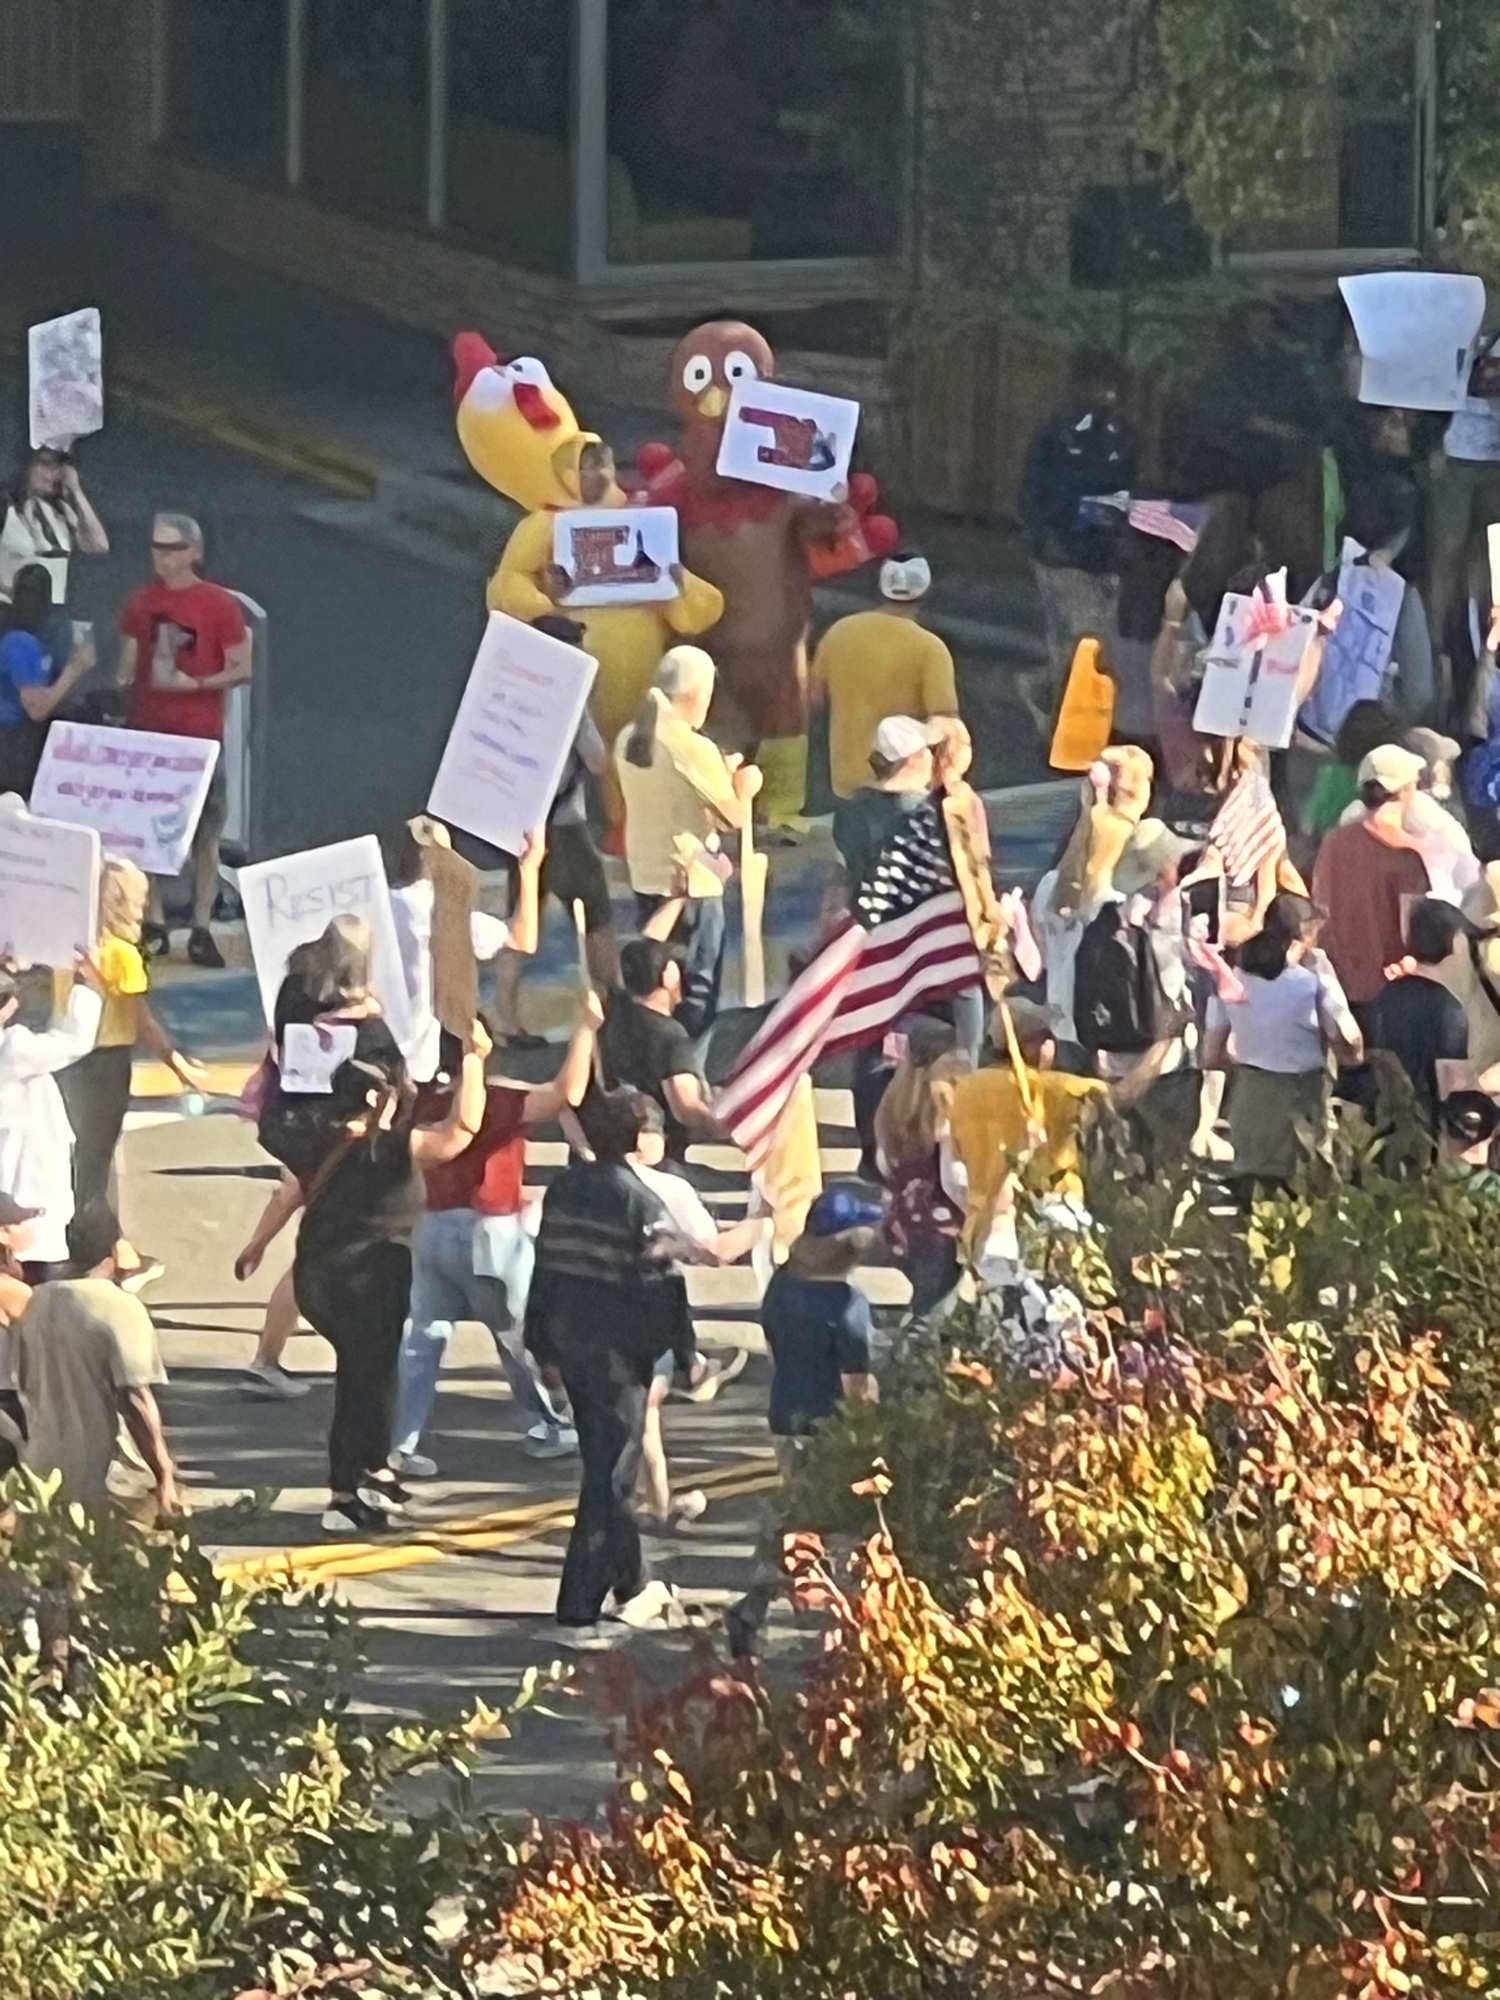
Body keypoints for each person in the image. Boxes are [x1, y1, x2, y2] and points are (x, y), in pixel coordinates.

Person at [243, 1021, 492, 1536]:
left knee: (367, 1378)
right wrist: (476, 1060)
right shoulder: (389, 1148)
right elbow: (460, 1131)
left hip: (317, 1275)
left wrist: (257, 1245)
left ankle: (371, 1475)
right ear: (378, 1100)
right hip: (367, 1280)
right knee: (367, 1383)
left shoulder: (317, 1139)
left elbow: (288, 1193)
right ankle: (348, 1492)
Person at [389, 990, 603, 1479]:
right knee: (518, 1336)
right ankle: (545, 1424)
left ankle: (401, 1440)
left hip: (432, 1226)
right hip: (491, 1231)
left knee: (423, 1339)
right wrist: (586, 1028)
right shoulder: (498, 1100)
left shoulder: (419, 1104)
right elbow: (567, 1093)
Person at [525, 1088, 699, 1647]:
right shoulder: (642, 1204)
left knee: (606, 1461)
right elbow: (665, 1290)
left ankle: (636, 1585)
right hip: (621, 1355)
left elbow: (545, 1269)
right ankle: (578, 1606)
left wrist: (541, 1347)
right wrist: (686, 1355)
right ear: (638, 1139)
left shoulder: (564, 1189)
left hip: (570, 1342)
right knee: (611, 1479)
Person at [57, 857, 209, 1289]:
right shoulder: (123, 955)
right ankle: (103, 1255)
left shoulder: (70, 942)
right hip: (105, 1064)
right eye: (139, 899)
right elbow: (143, 1022)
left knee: (85, 1160)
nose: (144, 907)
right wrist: (178, 1063)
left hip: (68, 1059)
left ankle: (113, 1251)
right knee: (96, 1164)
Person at [116, 513, 252, 966]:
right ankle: (154, 921)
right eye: (157, 546)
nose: (162, 556)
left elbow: (242, 666)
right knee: (147, 832)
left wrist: (196, 684)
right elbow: (127, 665)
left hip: (200, 737)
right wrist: (121, 692)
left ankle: (201, 924)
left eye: (172, 547)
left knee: (205, 835)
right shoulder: (140, 603)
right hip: (149, 733)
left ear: (193, 552)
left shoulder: (219, 605)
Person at [942, 998, 1173, 1257]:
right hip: (1047, 1233)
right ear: (1033, 1045)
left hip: (982, 1236)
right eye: (1046, 1037)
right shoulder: (1051, 1088)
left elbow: (951, 1173)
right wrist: (1164, 1039)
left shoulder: (964, 1090)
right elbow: (1122, 1094)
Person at [624, 1094, 759, 1526]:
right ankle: (655, 1504)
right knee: (644, 1412)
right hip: (645, 1310)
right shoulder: (670, 1188)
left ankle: (649, 1499)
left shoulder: (577, 1184)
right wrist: (760, 1219)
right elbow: (712, 1249)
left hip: (587, 1308)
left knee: (621, 1414)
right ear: (643, 1139)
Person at [615, 644, 761, 1037]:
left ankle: (657, 1061)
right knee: (697, 993)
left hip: (646, 874)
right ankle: (687, 1066)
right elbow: (733, 817)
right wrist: (743, 786)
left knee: (657, 985)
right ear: (698, 693)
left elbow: (672, 795)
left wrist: (719, 771)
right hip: (693, 883)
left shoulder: (630, 737)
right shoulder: (693, 747)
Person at [494, 614, 617, 1048]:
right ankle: (615, 1007)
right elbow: (598, 760)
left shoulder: (510, 694)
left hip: (521, 825)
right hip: (564, 828)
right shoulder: (567, 700)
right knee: (598, 914)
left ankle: (505, 1018)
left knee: (520, 917)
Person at [13, 1207, 178, 1525]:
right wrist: (164, 1474)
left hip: (44, 1475)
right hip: (108, 1480)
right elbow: (136, 1400)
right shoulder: (119, 1306)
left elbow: (25, 1386)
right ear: (113, 1252)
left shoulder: (35, 1303)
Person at [1202, 892, 1363, 1184]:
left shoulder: (1231, 978)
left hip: (1248, 1101)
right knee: (1305, 1189)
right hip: (1300, 1101)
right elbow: (1351, 1042)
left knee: (1251, 1193)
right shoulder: (1312, 981)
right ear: (1300, 937)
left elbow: (1211, 1056)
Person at [1019, 347, 1136, 702]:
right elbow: (1032, 493)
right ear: (1079, 387)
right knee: (1081, 643)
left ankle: (1046, 693)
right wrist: (1046, 538)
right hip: (1063, 557)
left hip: (1108, 555)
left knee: (1093, 647)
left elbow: (1133, 489)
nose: (1106, 396)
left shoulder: (1124, 435)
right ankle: (1059, 707)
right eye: (1098, 386)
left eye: (1112, 387)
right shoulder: (1057, 435)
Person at [387, 815, 539, 1077]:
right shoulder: (451, 918)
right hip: (423, 1061)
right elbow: (522, 939)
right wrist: (530, 869)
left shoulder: (378, 906)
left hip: (377, 1048)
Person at [810, 551, 958, 806]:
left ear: (881, 587)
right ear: (927, 591)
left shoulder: (841, 631)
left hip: (847, 783)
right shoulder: (930, 648)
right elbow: (947, 727)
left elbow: (813, 697)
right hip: (905, 787)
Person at [761, 1186, 881, 1481]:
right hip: (830, 1424)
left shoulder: (781, 1283)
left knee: (792, 1494)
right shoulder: (849, 1305)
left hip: (783, 1413)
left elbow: (772, 1347)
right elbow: (856, 1385)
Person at [1312, 744, 1433, 1035]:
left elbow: (1319, 911)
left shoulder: (1333, 842)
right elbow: (1414, 933)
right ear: (1404, 791)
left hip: (1339, 986)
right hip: (1393, 990)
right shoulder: (1406, 854)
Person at [0, 957, 103, 1283]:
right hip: (29, 1168)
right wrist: (85, 987)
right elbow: (74, 1041)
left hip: (11, 1164)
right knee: (36, 1254)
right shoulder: (13, 1048)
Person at [872, 1018, 968, 1316]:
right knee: (936, 1312)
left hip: (904, 1220)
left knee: (924, 1297)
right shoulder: (946, 1103)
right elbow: (954, 1177)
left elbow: (883, 1163)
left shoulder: (893, 1100)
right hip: (944, 1225)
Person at [598, 938, 719, 1162]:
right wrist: (727, 1128)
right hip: (659, 1159)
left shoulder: (610, 1024)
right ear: (668, 976)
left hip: (608, 1154)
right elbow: (686, 1109)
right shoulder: (672, 1036)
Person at [1427, 340, 1500, 679]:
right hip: (1455, 453)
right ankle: (1437, 652)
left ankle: (1488, 657)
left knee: (1491, 561)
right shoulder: (1458, 319)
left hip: (1495, 458)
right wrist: (1430, 442)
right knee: (1447, 553)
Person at [1369, 898, 1472, 1130]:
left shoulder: (1388, 993)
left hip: (1391, 1114)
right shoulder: (1449, 1007)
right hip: (1429, 1123)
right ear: (1453, 943)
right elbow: (1453, 1083)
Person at [0, 563, 95, 796]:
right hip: (12, 748)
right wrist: (75, 668)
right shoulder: (19, 642)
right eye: (25, 594)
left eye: (36, 595)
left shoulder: (44, 638)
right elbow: (37, 708)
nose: (30, 604)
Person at [832, 713, 945, 891]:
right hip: (915, 904)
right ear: (914, 759)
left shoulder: (849, 810)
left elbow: (842, 873)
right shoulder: (931, 811)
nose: (932, 757)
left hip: (865, 902)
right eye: (928, 750)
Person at [0, 446, 109, 605]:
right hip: (10, 605)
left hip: (53, 608)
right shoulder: (5, 506)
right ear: (27, 465)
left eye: (58, 467)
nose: (53, 474)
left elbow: (99, 545)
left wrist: (76, 491)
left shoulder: (61, 510)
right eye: (45, 464)